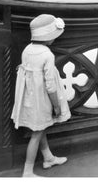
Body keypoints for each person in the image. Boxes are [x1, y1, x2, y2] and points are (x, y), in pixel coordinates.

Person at [11, 14, 71, 177]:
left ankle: (48, 158)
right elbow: (50, 85)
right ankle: (28, 172)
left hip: (30, 98)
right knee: (36, 134)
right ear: (49, 36)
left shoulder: (27, 50)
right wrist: (56, 105)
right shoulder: (47, 55)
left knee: (40, 127)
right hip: (42, 99)